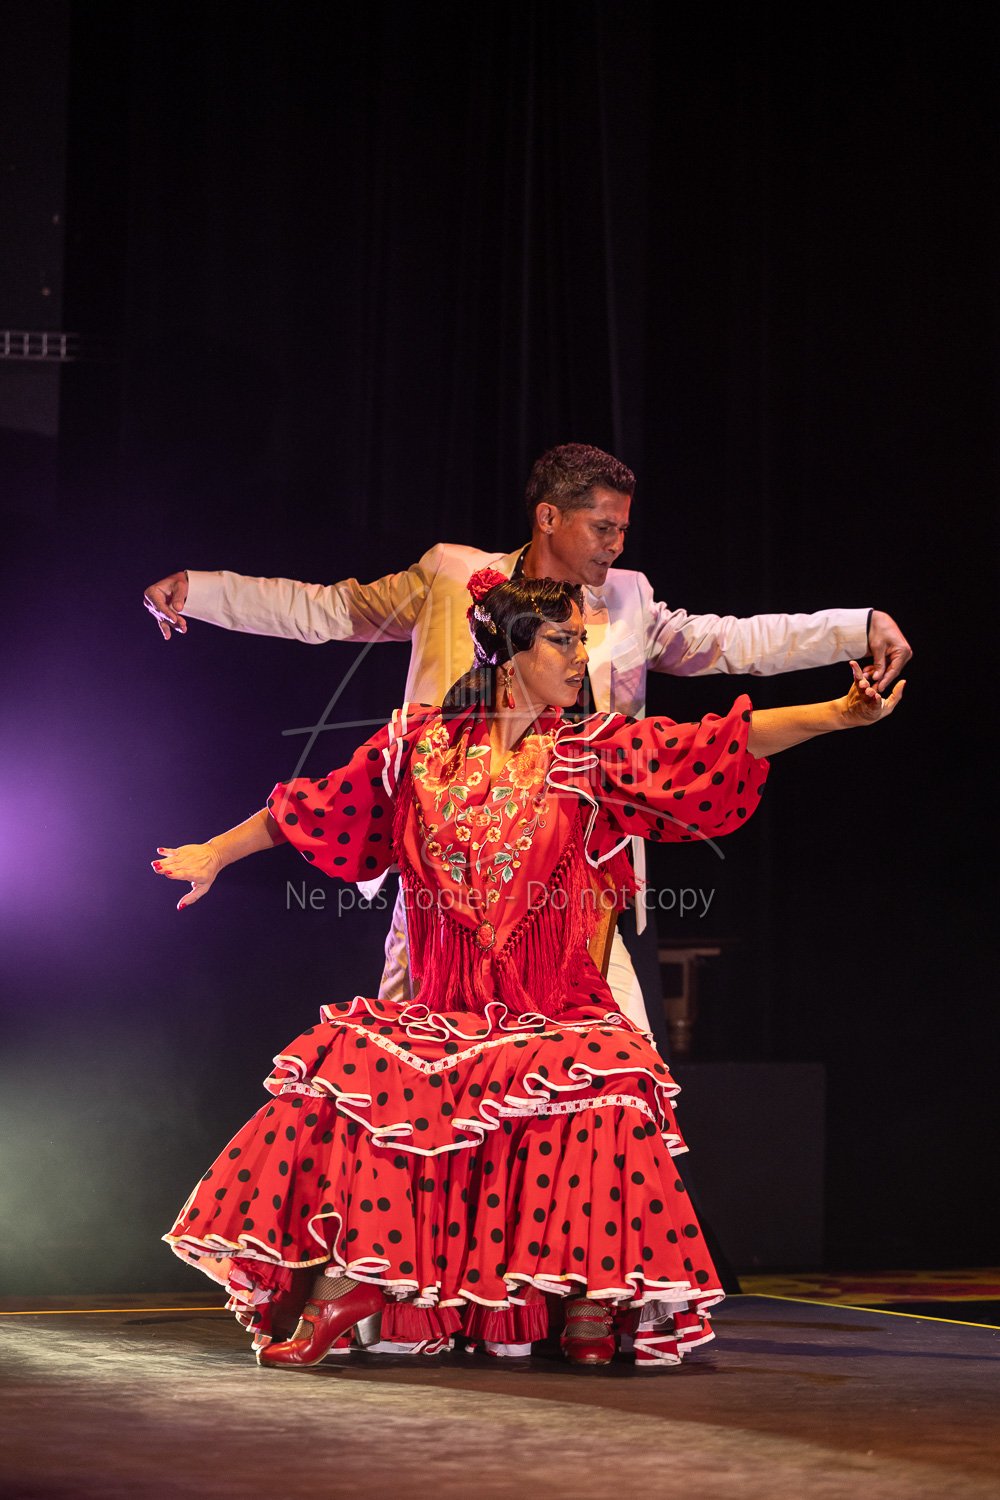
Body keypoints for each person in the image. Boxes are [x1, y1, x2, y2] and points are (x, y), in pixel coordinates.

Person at [154, 569, 904, 1370]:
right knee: (351, 1072)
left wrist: (840, 713)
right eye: (562, 641)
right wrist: (216, 853)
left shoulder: (589, 751)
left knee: (606, 1077)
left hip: (554, 1005)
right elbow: (313, 807)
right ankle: (346, 1290)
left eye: (582, 639)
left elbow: (714, 744)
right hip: (443, 1007)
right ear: (509, 652)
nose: (580, 656)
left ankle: (590, 1295)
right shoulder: (415, 748)